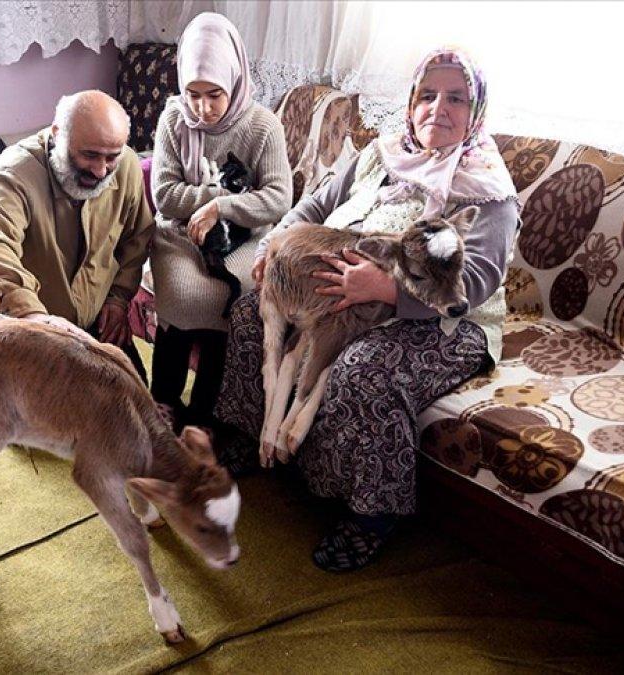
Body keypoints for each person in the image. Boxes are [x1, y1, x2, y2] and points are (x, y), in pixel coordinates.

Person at [214, 48, 520, 573]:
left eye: (456, 99)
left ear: (477, 111)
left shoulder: (487, 188)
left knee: (365, 370)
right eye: (427, 95)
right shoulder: (382, 152)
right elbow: (316, 204)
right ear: (411, 102)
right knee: (250, 312)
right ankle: (253, 435)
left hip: (446, 321)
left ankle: (372, 514)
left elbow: (472, 283)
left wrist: (384, 289)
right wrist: (275, 244)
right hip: (349, 295)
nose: (437, 109)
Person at [149, 12, 292, 431]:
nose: (203, 108)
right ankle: (164, 400)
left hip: (244, 238)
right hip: (179, 235)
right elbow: (164, 194)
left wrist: (225, 210)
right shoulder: (174, 120)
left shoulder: (263, 127)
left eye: (214, 94)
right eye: (192, 94)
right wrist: (214, 198)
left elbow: (280, 199)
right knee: (183, 295)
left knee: (230, 301)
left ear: (234, 79)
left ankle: (204, 414)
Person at [0, 90, 154, 379]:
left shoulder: (125, 165)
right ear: (57, 135)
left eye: (111, 157)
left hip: (91, 321)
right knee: (43, 418)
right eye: (89, 155)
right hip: (21, 326)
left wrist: (117, 299)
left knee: (132, 405)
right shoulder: (13, 174)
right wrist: (32, 316)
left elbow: (137, 239)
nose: (101, 170)